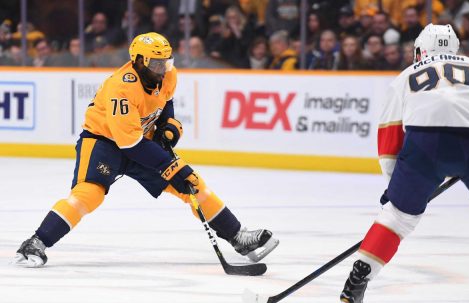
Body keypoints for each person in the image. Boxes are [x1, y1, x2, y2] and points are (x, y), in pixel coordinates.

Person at [13, 32, 279, 268]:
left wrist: (169, 125)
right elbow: (129, 143)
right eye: (156, 63)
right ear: (139, 61)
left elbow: (166, 102)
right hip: (104, 143)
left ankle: (238, 236)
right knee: (88, 195)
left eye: (166, 62)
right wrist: (170, 165)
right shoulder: (122, 87)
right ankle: (37, 242)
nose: (163, 68)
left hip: (141, 141)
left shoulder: (167, 75)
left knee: (193, 185)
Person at [338, 24, 469, 303]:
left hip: (426, 143)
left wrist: (396, 189)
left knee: (398, 217)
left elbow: (389, 136)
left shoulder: (407, 75)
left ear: (420, 49)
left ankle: (362, 271)